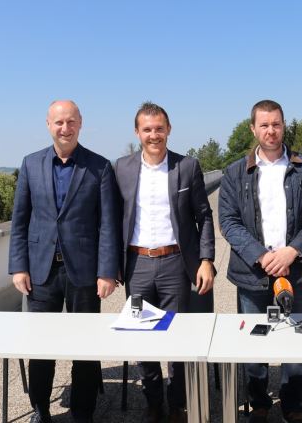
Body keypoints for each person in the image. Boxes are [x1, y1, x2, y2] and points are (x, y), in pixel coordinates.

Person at [8, 100, 120, 423]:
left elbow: (108, 224)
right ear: (48, 124)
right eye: (59, 122)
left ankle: (83, 411)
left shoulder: (99, 167)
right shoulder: (31, 164)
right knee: (41, 346)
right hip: (41, 272)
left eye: (71, 121)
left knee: (85, 345)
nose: (65, 128)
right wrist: (19, 266)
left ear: (80, 123)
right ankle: (40, 408)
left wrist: (106, 271)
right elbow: (20, 220)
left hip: (84, 272)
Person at [219, 99, 302, 423]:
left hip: (296, 269)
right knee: (256, 339)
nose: (271, 130)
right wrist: (263, 256)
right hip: (252, 272)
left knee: (297, 338)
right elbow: (228, 221)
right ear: (253, 128)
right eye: (264, 125)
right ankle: (259, 403)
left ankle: (292, 404)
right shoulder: (235, 172)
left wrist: (292, 251)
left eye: (276, 124)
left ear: (284, 126)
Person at [114, 102, 215, 423]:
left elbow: (204, 216)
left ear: (168, 129)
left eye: (159, 128)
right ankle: (153, 402)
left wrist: (206, 259)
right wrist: (110, 265)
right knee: (142, 335)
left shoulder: (187, 166)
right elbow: (112, 219)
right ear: (137, 132)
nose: (154, 135)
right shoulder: (122, 168)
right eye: (147, 129)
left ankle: (177, 403)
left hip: (175, 263)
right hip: (137, 265)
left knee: (177, 337)